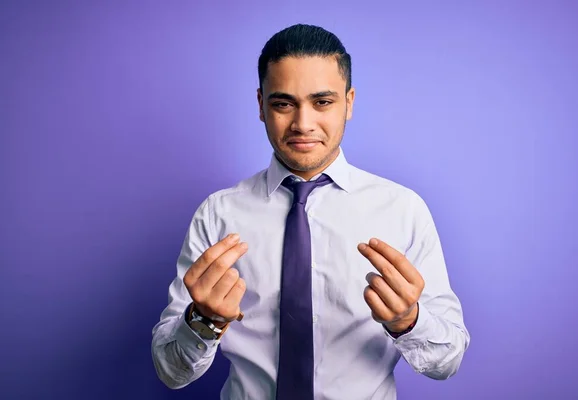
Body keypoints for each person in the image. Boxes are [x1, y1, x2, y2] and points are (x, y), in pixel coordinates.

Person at [151, 23, 470, 400]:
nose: (303, 124)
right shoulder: (218, 215)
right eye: (283, 103)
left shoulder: (402, 210)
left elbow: (447, 362)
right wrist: (203, 321)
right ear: (260, 105)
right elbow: (171, 372)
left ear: (349, 102)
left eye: (322, 102)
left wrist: (408, 322)